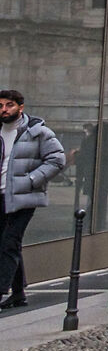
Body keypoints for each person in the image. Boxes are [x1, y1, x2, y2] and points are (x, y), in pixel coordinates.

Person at [0, 90, 66, 311]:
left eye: (9, 105)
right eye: (1, 105)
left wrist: (31, 180)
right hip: (2, 195)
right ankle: (18, 293)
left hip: (23, 196)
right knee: (10, 244)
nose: (4, 109)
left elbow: (57, 160)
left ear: (21, 107)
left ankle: (1, 291)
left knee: (9, 242)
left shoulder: (37, 132)